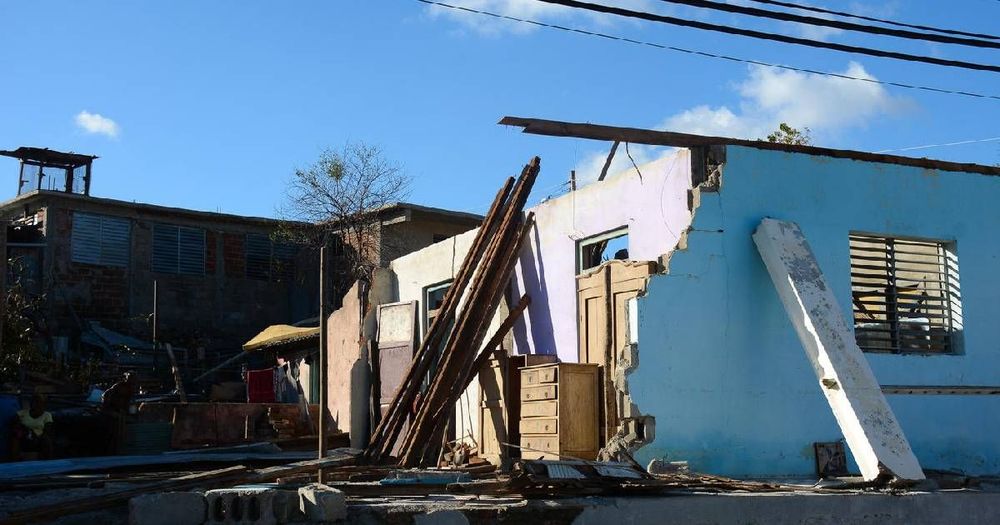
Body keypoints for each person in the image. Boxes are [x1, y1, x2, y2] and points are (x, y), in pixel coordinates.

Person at [10, 393, 54, 460]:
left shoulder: (47, 415)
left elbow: (48, 429)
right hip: (25, 434)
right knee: (15, 435)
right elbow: (14, 422)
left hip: (39, 436)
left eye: (39, 402)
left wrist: (35, 435)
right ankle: (15, 459)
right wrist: (23, 428)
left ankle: (46, 461)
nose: (37, 404)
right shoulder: (23, 413)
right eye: (35, 402)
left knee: (46, 440)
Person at [101, 372, 137, 454]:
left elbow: (131, 403)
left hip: (122, 414)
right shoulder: (118, 387)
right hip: (113, 413)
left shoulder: (132, 389)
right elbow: (106, 396)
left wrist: (131, 414)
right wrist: (111, 411)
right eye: (130, 379)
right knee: (113, 434)